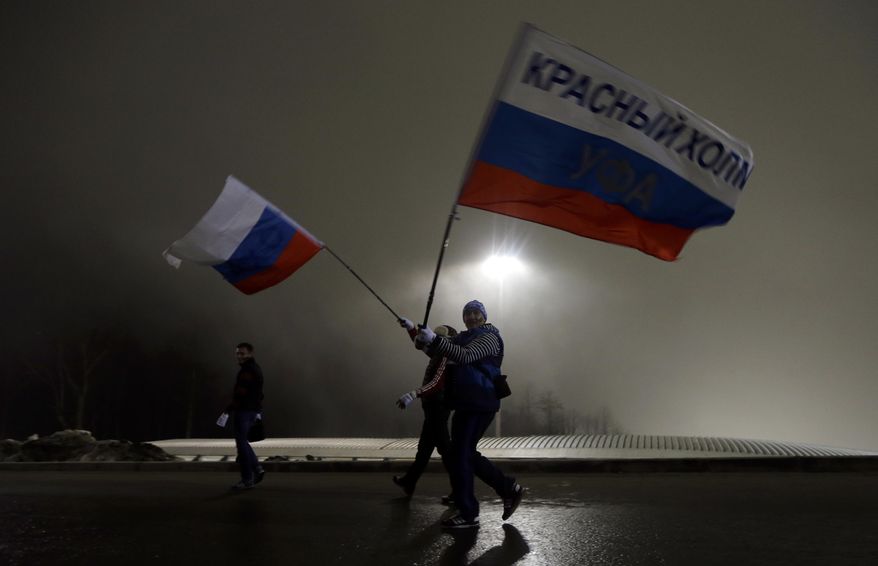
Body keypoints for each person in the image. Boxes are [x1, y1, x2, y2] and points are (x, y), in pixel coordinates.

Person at [416, 300, 524, 529]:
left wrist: (434, 339)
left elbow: (464, 356)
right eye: (468, 314)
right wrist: (419, 336)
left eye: (476, 313)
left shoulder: (489, 338)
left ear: (484, 316)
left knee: (461, 454)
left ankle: (469, 512)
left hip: (481, 403)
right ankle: (507, 488)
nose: (472, 317)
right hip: (465, 403)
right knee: (461, 454)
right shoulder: (463, 337)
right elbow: (438, 351)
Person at [393, 322, 458, 500]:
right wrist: (411, 328)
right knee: (425, 448)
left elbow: (436, 383)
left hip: (438, 407)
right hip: (432, 407)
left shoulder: (446, 356)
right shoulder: (439, 352)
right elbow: (420, 344)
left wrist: (415, 393)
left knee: (445, 450)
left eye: (437, 338)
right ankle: (410, 482)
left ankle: (460, 491)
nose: (433, 341)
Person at [226, 342, 265, 490]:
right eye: (237, 353)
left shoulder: (247, 371)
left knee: (241, 445)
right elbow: (260, 394)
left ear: (250, 354)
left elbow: (241, 393)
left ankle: (247, 478)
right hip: (252, 411)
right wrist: (258, 411)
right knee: (243, 442)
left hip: (244, 411)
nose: (239, 356)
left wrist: (229, 409)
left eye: (242, 353)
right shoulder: (257, 369)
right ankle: (257, 469)